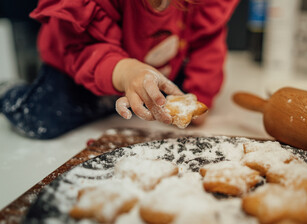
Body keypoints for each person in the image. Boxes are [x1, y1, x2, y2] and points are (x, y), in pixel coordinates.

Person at [0, 0, 239, 139]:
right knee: (45, 117)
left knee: (162, 98)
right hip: (81, 63)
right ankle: (9, 92)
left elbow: (207, 41)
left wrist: (200, 94)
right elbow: (85, 47)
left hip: (150, 69)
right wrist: (125, 72)